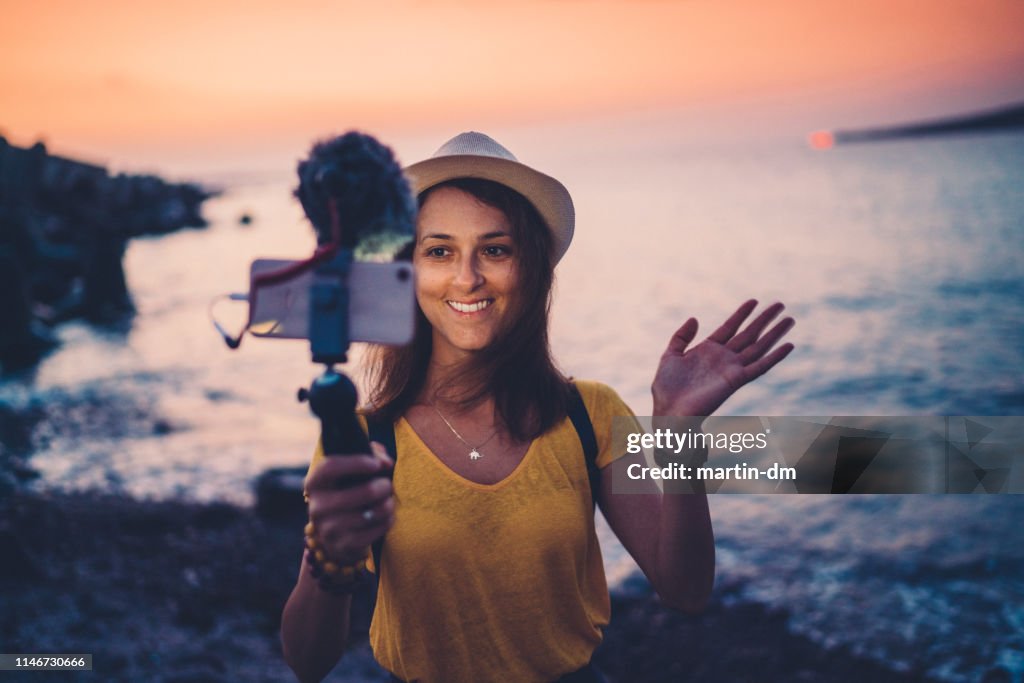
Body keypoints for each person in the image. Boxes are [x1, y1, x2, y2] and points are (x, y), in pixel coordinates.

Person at [280, 132, 795, 683]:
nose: (468, 277)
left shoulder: (588, 413)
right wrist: (327, 557)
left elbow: (686, 590)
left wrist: (680, 431)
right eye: (439, 251)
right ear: (408, 272)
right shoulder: (363, 438)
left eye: (495, 249)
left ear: (531, 270)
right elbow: (308, 661)